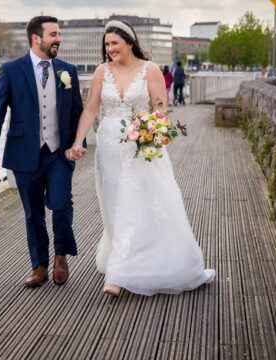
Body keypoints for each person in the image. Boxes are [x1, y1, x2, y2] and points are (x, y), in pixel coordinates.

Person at [66, 20, 215, 297]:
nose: (110, 49)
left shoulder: (150, 70)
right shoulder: (102, 71)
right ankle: (127, 258)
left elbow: (161, 110)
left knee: (135, 202)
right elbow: (90, 110)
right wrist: (78, 141)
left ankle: (119, 274)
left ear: (130, 42)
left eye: (115, 43)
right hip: (110, 146)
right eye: (107, 44)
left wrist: (148, 131)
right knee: (113, 203)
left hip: (141, 145)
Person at [0, 16, 85, 288]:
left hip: (59, 152)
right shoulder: (11, 70)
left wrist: (79, 143)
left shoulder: (68, 71)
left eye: (59, 34)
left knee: (62, 203)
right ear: (35, 38)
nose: (58, 39)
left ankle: (61, 255)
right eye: (53, 34)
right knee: (33, 213)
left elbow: (77, 113)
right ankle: (39, 264)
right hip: (24, 154)